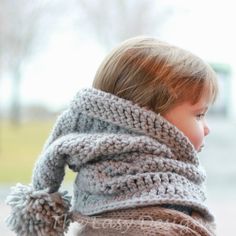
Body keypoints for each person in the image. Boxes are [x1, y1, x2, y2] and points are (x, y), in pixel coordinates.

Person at [6, 36, 218, 236]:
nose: (207, 128)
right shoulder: (161, 205)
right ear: (149, 121)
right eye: (199, 115)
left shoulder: (101, 191)